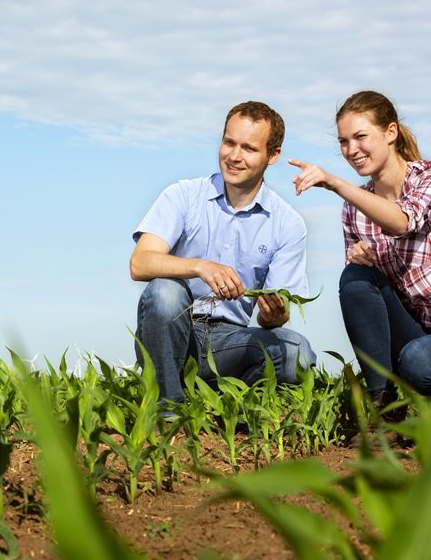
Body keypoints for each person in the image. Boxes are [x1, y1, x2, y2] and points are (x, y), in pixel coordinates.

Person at [289, 90, 431, 412]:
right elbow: (369, 296)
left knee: (419, 360)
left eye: (360, 137)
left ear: (391, 133)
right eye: (344, 142)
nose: (351, 150)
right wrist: (363, 260)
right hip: (417, 333)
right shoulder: (354, 210)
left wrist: (335, 183)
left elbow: (403, 221)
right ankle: (383, 408)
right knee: (356, 277)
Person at [130, 101, 317, 408]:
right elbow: (140, 263)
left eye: (248, 148)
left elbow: (280, 312)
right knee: (164, 292)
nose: (234, 156)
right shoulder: (184, 195)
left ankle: (227, 398)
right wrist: (199, 267)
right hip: (174, 331)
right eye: (229, 143)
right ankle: (168, 406)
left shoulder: (287, 223)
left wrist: (273, 315)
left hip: (230, 342)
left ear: (273, 155)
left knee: (296, 352)